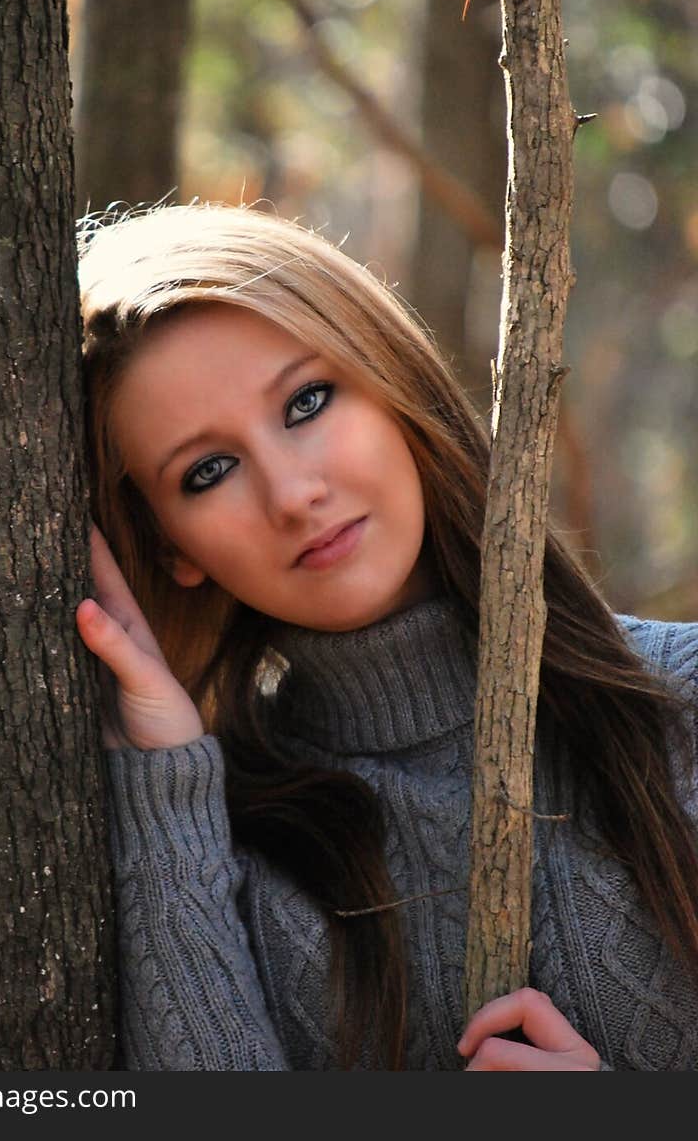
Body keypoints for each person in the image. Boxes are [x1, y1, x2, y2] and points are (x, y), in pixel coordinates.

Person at [75, 201, 698, 1071]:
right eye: (208, 471)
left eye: (307, 401)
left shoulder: (683, 702)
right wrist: (164, 784)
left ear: (393, 381)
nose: (292, 494)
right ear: (172, 548)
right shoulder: (212, 846)